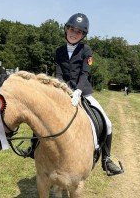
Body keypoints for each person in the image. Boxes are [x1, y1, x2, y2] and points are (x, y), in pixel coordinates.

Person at [55, 13, 123, 176]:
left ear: (83, 35)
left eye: (78, 31)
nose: (73, 33)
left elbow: (84, 74)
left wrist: (77, 91)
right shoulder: (59, 51)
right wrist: (62, 89)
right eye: (72, 29)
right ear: (67, 29)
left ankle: (106, 160)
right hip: (63, 91)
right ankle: (33, 147)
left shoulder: (86, 50)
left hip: (82, 91)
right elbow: (58, 74)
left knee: (108, 122)